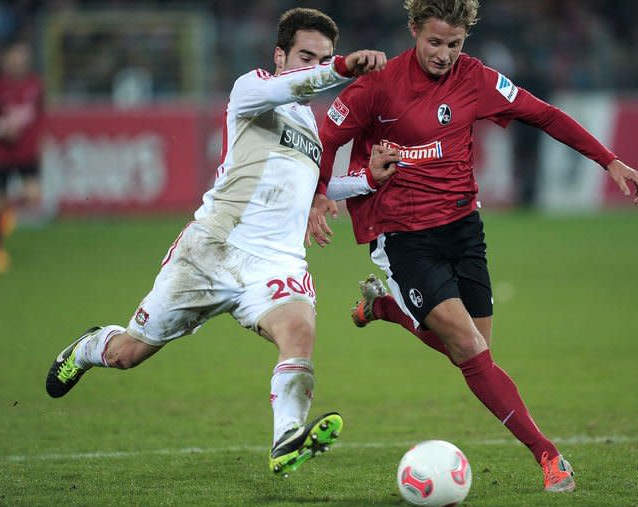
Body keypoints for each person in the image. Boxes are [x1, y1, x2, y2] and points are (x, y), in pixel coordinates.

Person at [309, 0, 638, 493]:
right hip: (403, 235)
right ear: (413, 31)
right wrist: (320, 193)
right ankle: (548, 456)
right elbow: (326, 135)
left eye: (454, 44)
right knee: (468, 346)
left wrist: (609, 161)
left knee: (475, 350)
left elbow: (545, 114)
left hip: (463, 226)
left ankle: (386, 309)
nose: (444, 54)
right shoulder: (378, 85)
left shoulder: (477, 79)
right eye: (434, 42)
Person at [45, 7, 387, 477]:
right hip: (212, 250)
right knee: (130, 353)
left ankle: (286, 439)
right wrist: (343, 67)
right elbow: (296, 85)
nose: (315, 67)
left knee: (299, 331)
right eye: (306, 56)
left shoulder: (312, 126)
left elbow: (311, 186)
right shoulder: (253, 89)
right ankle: (87, 348)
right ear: (280, 55)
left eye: (323, 58)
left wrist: (361, 181)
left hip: (275, 261)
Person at [0, 40, 44, 273]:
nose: (18, 62)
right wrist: (0, 128)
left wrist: (41, 138)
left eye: (22, 57)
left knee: (33, 197)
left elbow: (39, 115)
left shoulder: (35, 86)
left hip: (26, 152)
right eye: (15, 57)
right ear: (6, 61)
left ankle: (7, 211)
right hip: (3, 153)